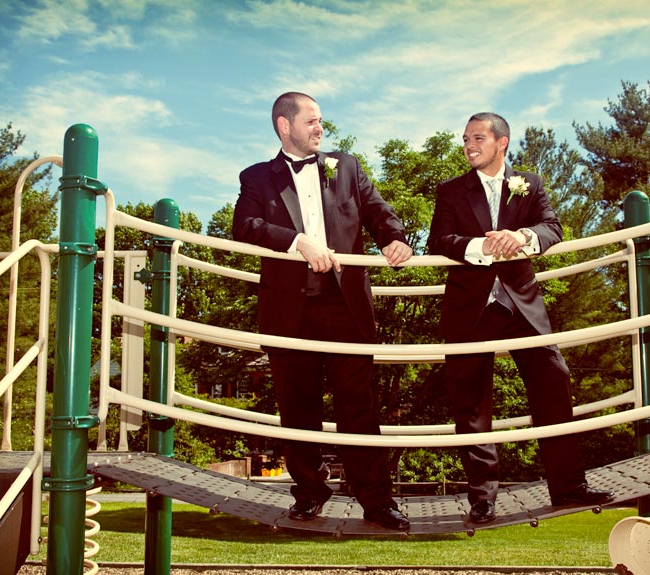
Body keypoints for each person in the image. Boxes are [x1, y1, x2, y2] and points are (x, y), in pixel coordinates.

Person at [232, 92, 412, 530]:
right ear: (283, 125)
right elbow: (246, 226)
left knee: (359, 408)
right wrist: (298, 242)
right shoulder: (257, 177)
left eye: (321, 121)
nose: (320, 129)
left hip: (345, 307)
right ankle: (310, 491)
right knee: (298, 408)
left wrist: (394, 236)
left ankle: (376, 500)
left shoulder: (346, 165)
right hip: (289, 312)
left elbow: (375, 209)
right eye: (311, 121)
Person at [428, 112, 613, 524]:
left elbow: (552, 228)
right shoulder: (451, 191)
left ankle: (568, 487)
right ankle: (482, 499)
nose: (469, 145)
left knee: (554, 381)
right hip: (469, 309)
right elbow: (438, 240)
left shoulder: (530, 183)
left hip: (521, 306)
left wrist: (522, 238)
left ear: (502, 142)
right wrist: (482, 247)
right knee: (471, 405)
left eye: (478, 138)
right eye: (465, 139)